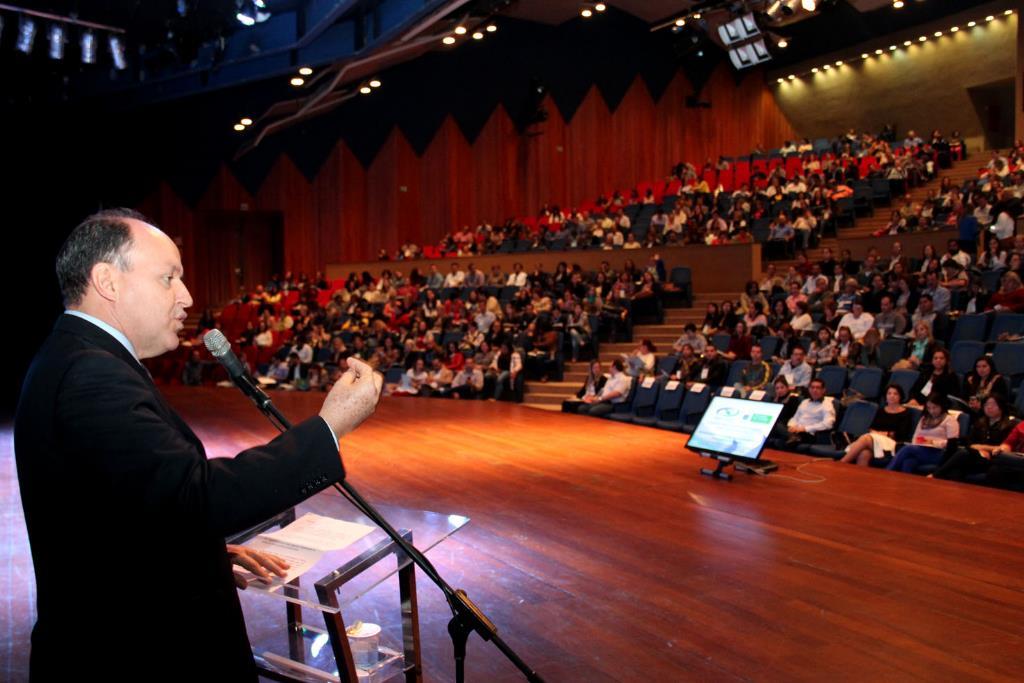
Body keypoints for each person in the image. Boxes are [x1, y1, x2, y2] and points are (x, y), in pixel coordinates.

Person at [14, 209, 383, 680]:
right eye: (169, 278)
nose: (187, 297)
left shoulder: (73, 356)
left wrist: (197, 553)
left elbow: (115, 508)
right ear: (107, 280)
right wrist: (330, 425)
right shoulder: (92, 373)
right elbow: (193, 496)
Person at [933, 395, 1015, 482]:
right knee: (957, 468)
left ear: (1001, 407)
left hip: (993, 459)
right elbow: (970, 443)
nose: (989, 407)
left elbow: (1003, 447)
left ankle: (936, 475)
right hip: (976, 456)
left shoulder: (1009, 425)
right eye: (986, 405)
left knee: (963, 453)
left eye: (993, 405)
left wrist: (982, 448)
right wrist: (979, 449)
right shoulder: (980, 422)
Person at [839, 384, 914, 466]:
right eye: (889, 393)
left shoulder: (906, 413)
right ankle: (860, 478)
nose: (892, 396)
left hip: (893, 444)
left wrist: (885, 434)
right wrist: (882, 433)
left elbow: (902, 434)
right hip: (877, 440)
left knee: (866, 438)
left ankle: (841, 463)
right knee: (864, 454)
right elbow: (872, 428)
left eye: (895, 394)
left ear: (900, 396)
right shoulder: (881, 410)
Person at [887, 393, 959, 473]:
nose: (931, 411)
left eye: (934, 408)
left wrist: (932, 442)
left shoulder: (950, 420)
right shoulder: (925, 419)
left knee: (908, 449)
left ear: (941, 406)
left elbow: (952, 445)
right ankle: (905, 484)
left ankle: (887, 472)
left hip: (939, 453)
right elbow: (916, 436)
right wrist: (919, 442)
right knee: (908, 462)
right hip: (921, 450)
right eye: (929, 408)